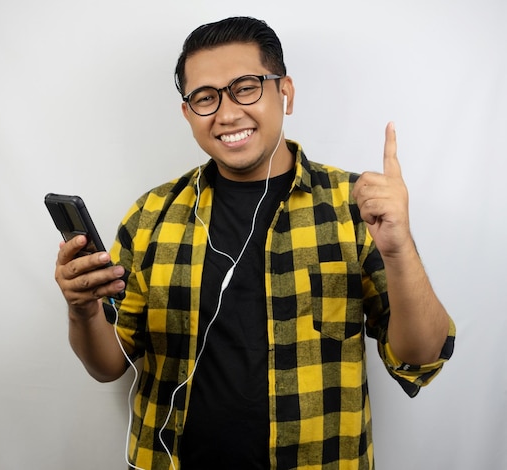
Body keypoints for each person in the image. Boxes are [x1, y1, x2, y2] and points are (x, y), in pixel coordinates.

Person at [54, 16, 456, 470]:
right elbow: (109, 366)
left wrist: (400, 249)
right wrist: (82, 310)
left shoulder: (355, 207)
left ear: (285, 92)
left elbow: (422, 359)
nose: (227, 114)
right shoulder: (151, 216)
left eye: (245, 87)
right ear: (188, 114)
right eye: (205, 98)